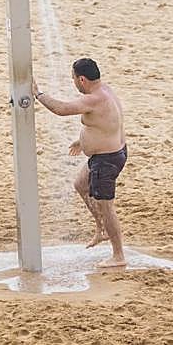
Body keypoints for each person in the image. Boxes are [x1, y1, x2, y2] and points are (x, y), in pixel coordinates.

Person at [33, 58, 128, 268]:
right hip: (107, 154)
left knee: (107, 207)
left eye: (74, 78)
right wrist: (82, 141)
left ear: (82, 79)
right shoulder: (105, 91)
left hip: (107, 160)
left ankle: (118, 255)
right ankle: (101, 228)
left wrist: (38, 94)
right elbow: (107, 122)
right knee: (80, 185)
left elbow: (62, 109)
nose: (73, 82)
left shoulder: (94, 99)